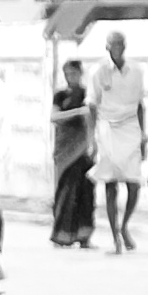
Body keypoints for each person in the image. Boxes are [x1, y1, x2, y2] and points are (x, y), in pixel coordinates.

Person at [86, 28, 147, 252]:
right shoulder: (98, 71)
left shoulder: (136, 71)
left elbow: (141, 105)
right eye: (113, 45)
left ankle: (124, 226)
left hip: (130, 127)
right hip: (108, 128)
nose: (116, 48)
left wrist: (143, 135)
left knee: (133, 183)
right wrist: (92, 138)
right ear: (107, 47)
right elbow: (91, 105)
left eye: (120, 44)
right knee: (111, 184)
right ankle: (115, 237)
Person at [48, 55, 96, 247]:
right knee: (66, 193)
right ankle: (62, 235)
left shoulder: (87, 94)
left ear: (80, 74)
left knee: (85, 193)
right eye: (67, 74)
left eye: (74, 73)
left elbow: (92, 121)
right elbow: (54, 117)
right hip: (65, 151)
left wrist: (93, 145)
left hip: (83, 150)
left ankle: (84, 236)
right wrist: (77, 112)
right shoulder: (60, 95)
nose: (70, 77)